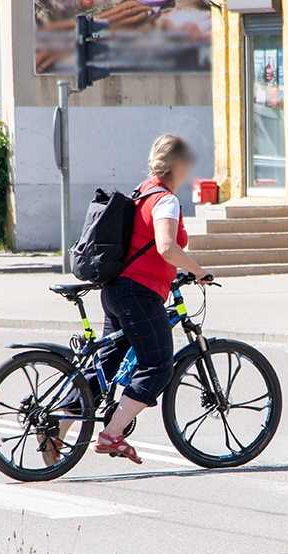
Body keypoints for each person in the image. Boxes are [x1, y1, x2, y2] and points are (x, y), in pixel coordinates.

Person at [93, 134, 211, 464]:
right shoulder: (167, 200)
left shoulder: (142, 191)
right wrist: (198, 271)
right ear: (179, 165)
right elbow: (167, 247)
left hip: (115, 289)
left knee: (102, 368)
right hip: (138, 293)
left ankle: (54, 434)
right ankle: (111, 434)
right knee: (158, 366)